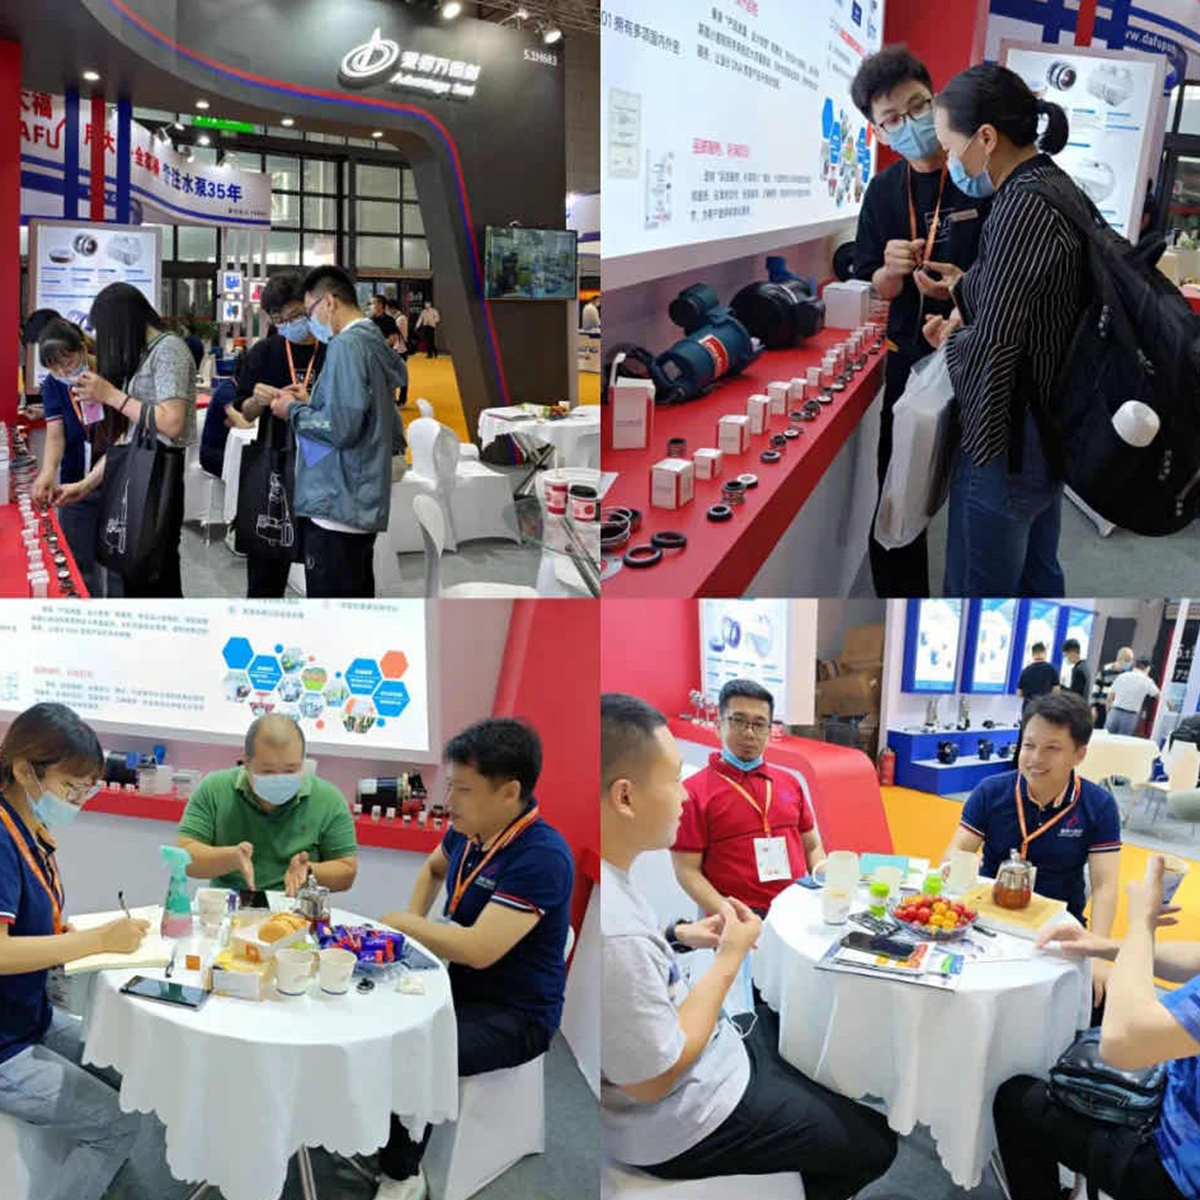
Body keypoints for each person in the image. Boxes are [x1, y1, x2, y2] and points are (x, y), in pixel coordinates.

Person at [601, 693, 897, 1198]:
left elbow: (812, 846)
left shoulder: (614, 888)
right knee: (874, 1143)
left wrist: (677, 936)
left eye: (761, 723)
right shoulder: (617, 928)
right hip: (686, 1113)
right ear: (625, 797)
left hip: (717, 1046)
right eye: (672, 779)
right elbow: (652, 1078)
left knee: (797, 1043)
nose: (682, 794)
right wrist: (729, 954)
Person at [374, 719, 574, 1200]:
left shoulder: (542, 856)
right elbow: (432, 868)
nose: (451, 801)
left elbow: (479, 950)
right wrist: (412, 926)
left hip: (517, 1013)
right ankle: (376, 1128)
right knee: (372, 1013)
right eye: (450, 786)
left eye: (463, 790)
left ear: (509, 792)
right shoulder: (469, 830)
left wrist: (403, 924)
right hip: (457, 986)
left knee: (417, 1050)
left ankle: (402, 1175)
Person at [922, 64, 1083, 596]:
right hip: (1045, 424)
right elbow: (1030, 299)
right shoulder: (1053, 184)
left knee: (977, 588)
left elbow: (994, 347)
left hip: (1005, 438)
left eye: (951, 146)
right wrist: (965, 286)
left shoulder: (1020, 205)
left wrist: (949, 339)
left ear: (986, 138)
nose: (950, 160)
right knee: (1038, 572)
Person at [851, 46, 991, 598]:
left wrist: (964, 292)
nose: (909, 125)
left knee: (979, 499)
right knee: (901, 492)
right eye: (892, 119)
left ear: (938, 101)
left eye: (918, 107)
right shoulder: (884, 191)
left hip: (981, 358)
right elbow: (876, 286)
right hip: (910, 363)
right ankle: (901, 601)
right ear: (879, 132)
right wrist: (889, 271)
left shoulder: (981, 176)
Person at [0, 702, 150, 1200]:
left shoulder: (27, 828)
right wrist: (98, 940)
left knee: (133, 1066)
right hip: (5, 1047)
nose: (78, 801)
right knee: (117, 1125)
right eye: (71, 787)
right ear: (25, 770)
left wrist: (77, 938)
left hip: (28, 1017)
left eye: (87, 789)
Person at [995, 855, 1197, 1200]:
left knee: (1017, 1102)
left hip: (1177, 1163)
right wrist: (1104, 946)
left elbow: (1122, 1042)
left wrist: (1141, 924)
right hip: (1180, 1093)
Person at [940, 691, 1121, 1020]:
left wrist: (1100, 954)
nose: (1035, 758)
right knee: (951, 991)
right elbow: (956, 851)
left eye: (1052, 748)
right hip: (987, 920)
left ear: (1079, 754)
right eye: (1029, 745)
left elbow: (1106, 885)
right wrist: (952, 867)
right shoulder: (991, 791)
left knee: (1097, 1001)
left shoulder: (1098, 806)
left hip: (1057, 929)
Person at [267, 265, 407, 598]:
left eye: (310, 311)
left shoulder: (346, 345)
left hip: (337, 498)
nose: (310, 322)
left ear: (329, 302)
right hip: (359, 494)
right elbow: (363, 413)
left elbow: (341, 428)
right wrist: (313, 401)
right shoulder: (371, 339)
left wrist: (293, 411)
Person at [55, 282, 198, 597]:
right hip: (139, 467)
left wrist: (111, 395)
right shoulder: (147, 354)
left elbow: (172, 423)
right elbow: (128, 438)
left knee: (153, 576)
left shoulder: (169, 349)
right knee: (134, 571)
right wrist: (85, 485)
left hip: (159, 474)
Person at [671, 679, 826, 917]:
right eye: (738, 721)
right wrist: (730, 914)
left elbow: (812, 846)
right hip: (736, 918)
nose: (749, 733)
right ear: (718, 725)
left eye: (759, 724)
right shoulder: (692, 793)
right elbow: (687, 871)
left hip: (796, 911)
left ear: (769, 730)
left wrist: (825, 884)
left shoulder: (789, 782)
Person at [177, 714, 358, 895]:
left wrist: (309, 871)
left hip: (296, 906)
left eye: (290, 770)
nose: (279, 779)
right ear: (246, 762)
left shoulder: (328, 799)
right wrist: (230, 858)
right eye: (268, 771)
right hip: (229, 905)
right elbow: (184, 855)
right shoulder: (215, 789)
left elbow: (347, 870)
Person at [229, 271, 325, 599]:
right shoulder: (264, 352)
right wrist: (257, 400)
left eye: (295, 315)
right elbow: (244, 413)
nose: (289, 324)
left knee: (323, 574)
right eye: (279, 319)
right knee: (265, 581)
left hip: (323, 470)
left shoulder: (333, 349)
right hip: (275, 468)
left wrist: (310, 405)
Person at [32, 318, 103, 597]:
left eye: (69, 361)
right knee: (78, 562)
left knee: (119, 564)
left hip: (115, 473)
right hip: (74, 479)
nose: (63, 371)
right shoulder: (53, 385)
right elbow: (55, 434)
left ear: (82, 349)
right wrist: (48, 471)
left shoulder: (106, 373)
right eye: (54, 366)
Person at [1106, 657, 1160, 736]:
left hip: (1115, 712)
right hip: (1130, 716)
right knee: (1123, 741)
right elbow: (1158, 696)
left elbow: (1110, 695)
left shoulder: (1122, 676)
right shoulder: (1147, 681)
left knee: (1106, 738)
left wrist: (1109, 711)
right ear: (1147, 668)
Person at [1092, 646, 1135, 728]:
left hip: (1116, 709)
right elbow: (1096, 688)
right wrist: (1093, 706)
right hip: (1101, 706)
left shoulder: (1128, 674)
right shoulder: (1105, 669)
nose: (1129, 664)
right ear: (1120, 659)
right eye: (1127, 661)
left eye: (1130, 661)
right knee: (1098, 730)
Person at [1017, 642, 1060, 711]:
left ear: (1032, 654)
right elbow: (1056, 691)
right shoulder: (1052, 669)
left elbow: (1019, 693)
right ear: (1045, 653)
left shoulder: (1025, 671)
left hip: (1028, 708)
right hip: (1045, 708)